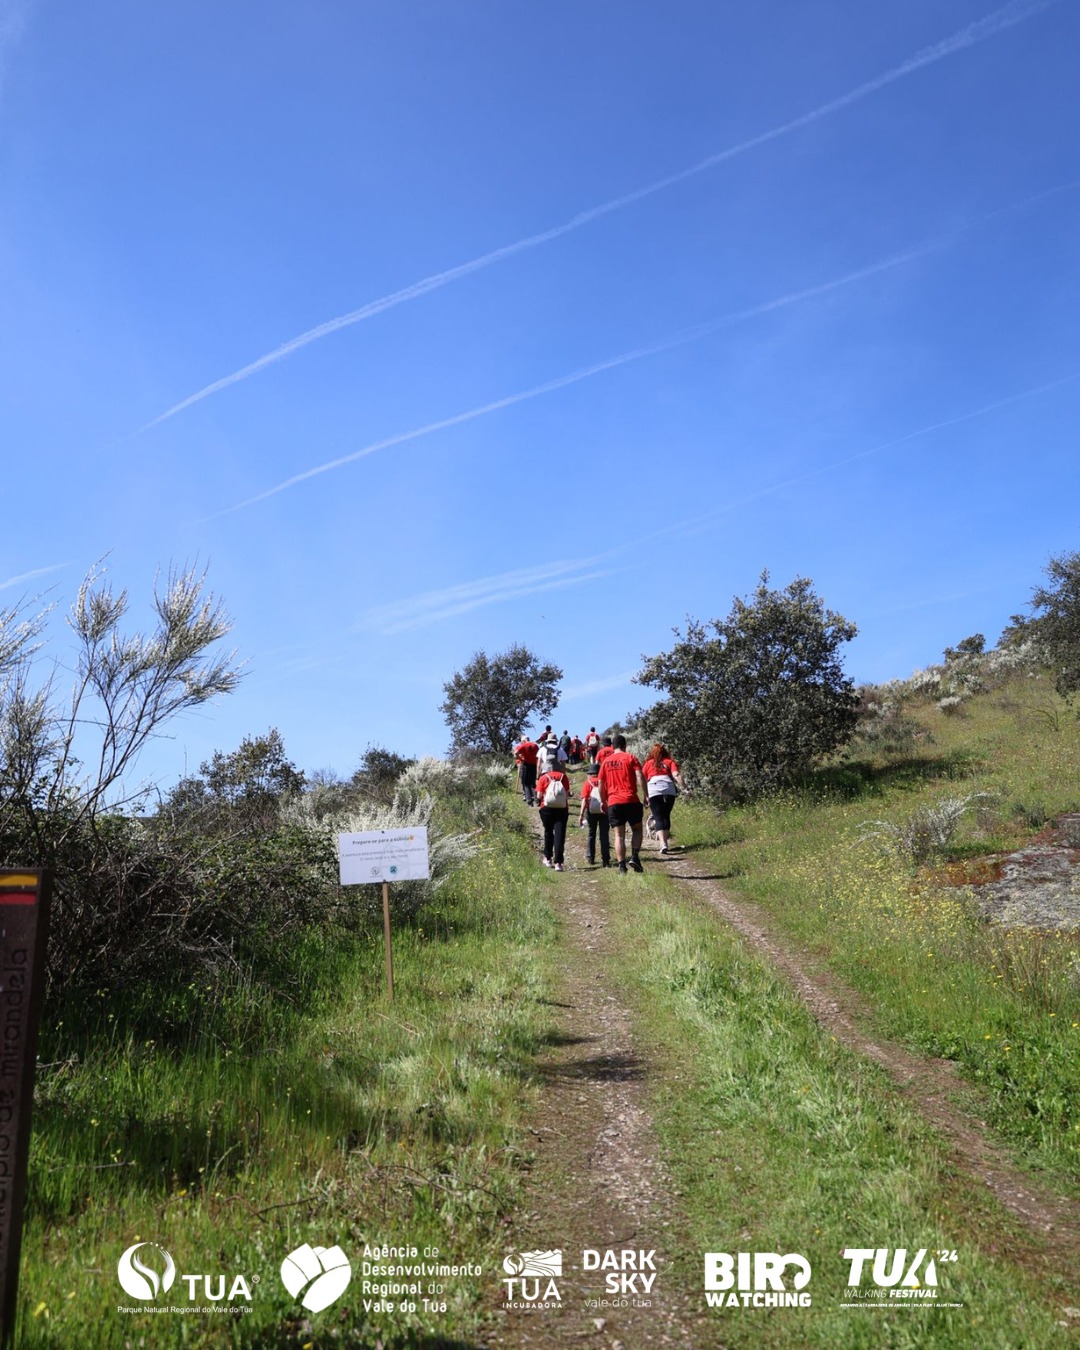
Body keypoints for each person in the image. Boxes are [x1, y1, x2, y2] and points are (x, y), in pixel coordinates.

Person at [597, 734, 647, 873]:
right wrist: (646, 795)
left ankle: (621, 866)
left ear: (612, 747)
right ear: (625, 746)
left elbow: (600, 783)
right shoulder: (630, 757)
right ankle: (635, 856)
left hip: (614, 801)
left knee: (619, 835)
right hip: (631, 799)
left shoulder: (606, 762)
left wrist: (603, 801)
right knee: (637, 829)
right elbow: (639, 775)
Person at [641, 742, 685, 854]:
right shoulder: (669, 762)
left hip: (654, 790)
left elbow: (643, 779)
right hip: (669, 789)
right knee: (666, 815)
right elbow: (676, 775)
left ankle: (663, 844)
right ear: (665, 752)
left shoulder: (648, 763)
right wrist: (685, 788)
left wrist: (645, 796)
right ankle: (665, 842)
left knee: (658, 816)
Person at [536, 760, 572, 871]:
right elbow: (566, 794)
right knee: (559, 835)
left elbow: (539, 795)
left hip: (547, 809)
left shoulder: (543, 778)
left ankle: (548, 858)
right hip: (562, 809)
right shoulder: (563, 777)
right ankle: (558, 863)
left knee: (548, 832)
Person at [578, 761, 610, 867]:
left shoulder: (588, 783)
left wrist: (581, 814)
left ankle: (590, 857)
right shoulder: (605, 781)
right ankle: (605, 860)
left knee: (591, 834)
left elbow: (584, 800)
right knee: (604, 835)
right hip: (604, 810)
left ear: (590, 774)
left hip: (591, 811)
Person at [514, 735, 540, 805]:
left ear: (523, 741)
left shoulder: (523, 746)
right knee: (533, 783)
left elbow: (515, 753)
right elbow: (538, 755)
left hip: (526, 765)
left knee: (526, 783)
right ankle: (536, 799)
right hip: (534, 765)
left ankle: (529, 799)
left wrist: (520, 759)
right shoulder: (535, 746)